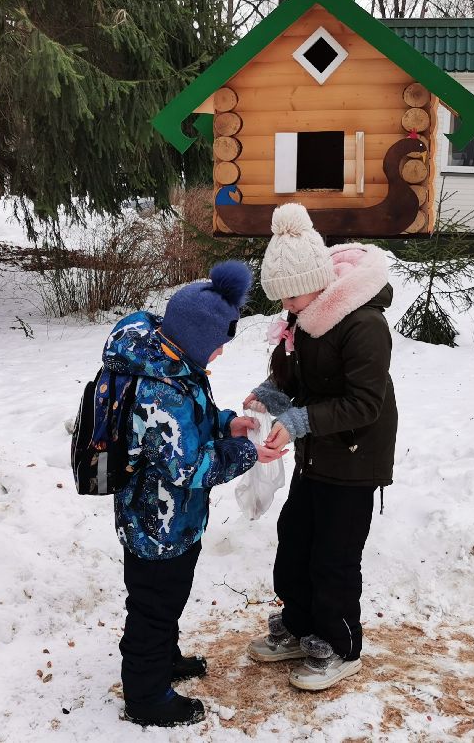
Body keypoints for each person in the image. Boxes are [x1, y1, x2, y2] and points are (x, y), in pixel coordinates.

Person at [104, 260, 288, 727]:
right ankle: (146, 697)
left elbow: (196, 419)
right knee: (152, 606)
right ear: (195, 339)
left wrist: (229, 422)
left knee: (167, 599)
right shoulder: (158, 391)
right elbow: (187, 466)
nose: (221, 354)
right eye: (219, 345)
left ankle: (163, 661)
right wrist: (247, 453)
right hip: (155, 525)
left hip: (173, 522)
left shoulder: (176, 367)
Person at [243, 203, 398, 691]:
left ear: (318, 280)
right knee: (296, 543)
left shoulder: (362, 324)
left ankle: (340, 644)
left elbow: (364, 404)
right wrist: (269, 394)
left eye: (291, 294)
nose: (286, 305)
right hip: (316, 456)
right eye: (281, 297)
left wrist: (298, 421)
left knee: (333, 556)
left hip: (354, 460)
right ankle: (300, 628)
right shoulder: (307, 316)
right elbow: (297, 375)